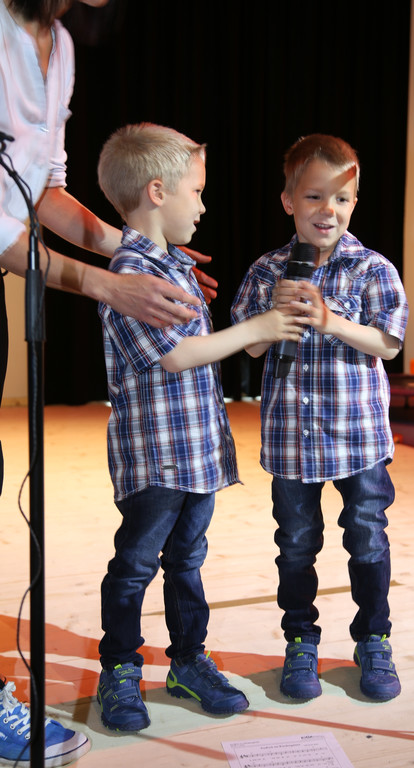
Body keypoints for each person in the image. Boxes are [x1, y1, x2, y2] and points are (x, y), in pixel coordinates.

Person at [0, 1, 215, 763]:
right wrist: (109, 281)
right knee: (138, 560)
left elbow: (40, 189)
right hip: (150, 454)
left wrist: (139, 251)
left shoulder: (57, 44)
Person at [95, 122, 303, 732]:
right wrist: (258, 327)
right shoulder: (130, 275)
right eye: (198, 191)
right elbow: (177, 354)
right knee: (135, 564)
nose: (204, 206)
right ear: (158, 192)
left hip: (196, 452)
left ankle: (187, 660)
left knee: (187, 559)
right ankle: (119, 669)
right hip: (157, 456)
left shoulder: (174, 265)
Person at [231, 133, 409, 703]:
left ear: (354, 203)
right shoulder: (267, 271)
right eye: (313, 196)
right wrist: (273, 312)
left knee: (367, 537)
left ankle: (374, 639)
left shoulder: (372, 268)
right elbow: (251, 346)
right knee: (296, 544)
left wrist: (330, 320)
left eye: (341, 199)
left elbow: (388, 344)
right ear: (289, 200)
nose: (327, 210)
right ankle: (300, 640)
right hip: (293, 440)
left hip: (359, 440)